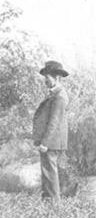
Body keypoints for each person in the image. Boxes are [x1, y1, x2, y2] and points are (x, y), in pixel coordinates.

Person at [33, 61, 69, 202]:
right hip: (50, 140)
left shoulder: (60, 96)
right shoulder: (55, 94)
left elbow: (54, 122)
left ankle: (53, 204)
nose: (45, 81)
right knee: (47, 172)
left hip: (52, 141)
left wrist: (45, 142)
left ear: (57, 77)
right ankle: (48, 201)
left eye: (47, 78)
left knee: (50, 173)